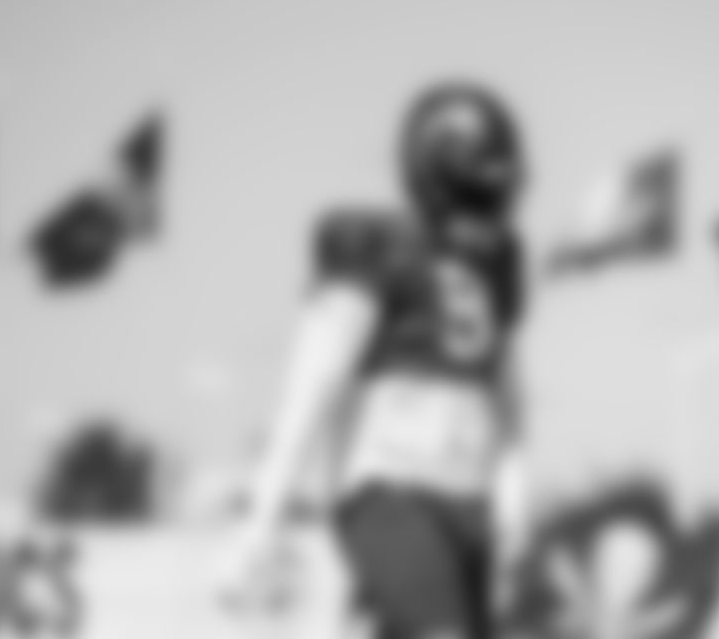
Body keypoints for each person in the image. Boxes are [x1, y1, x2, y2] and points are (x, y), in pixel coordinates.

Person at [219, 80, 536, 639]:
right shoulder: (375, 247)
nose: (493, 197)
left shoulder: (497, 263)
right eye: (480, 180)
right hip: (390, 492)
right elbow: (314, 382)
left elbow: (508, 398)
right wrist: (262, 518)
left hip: (470, 501)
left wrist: (515, 501)